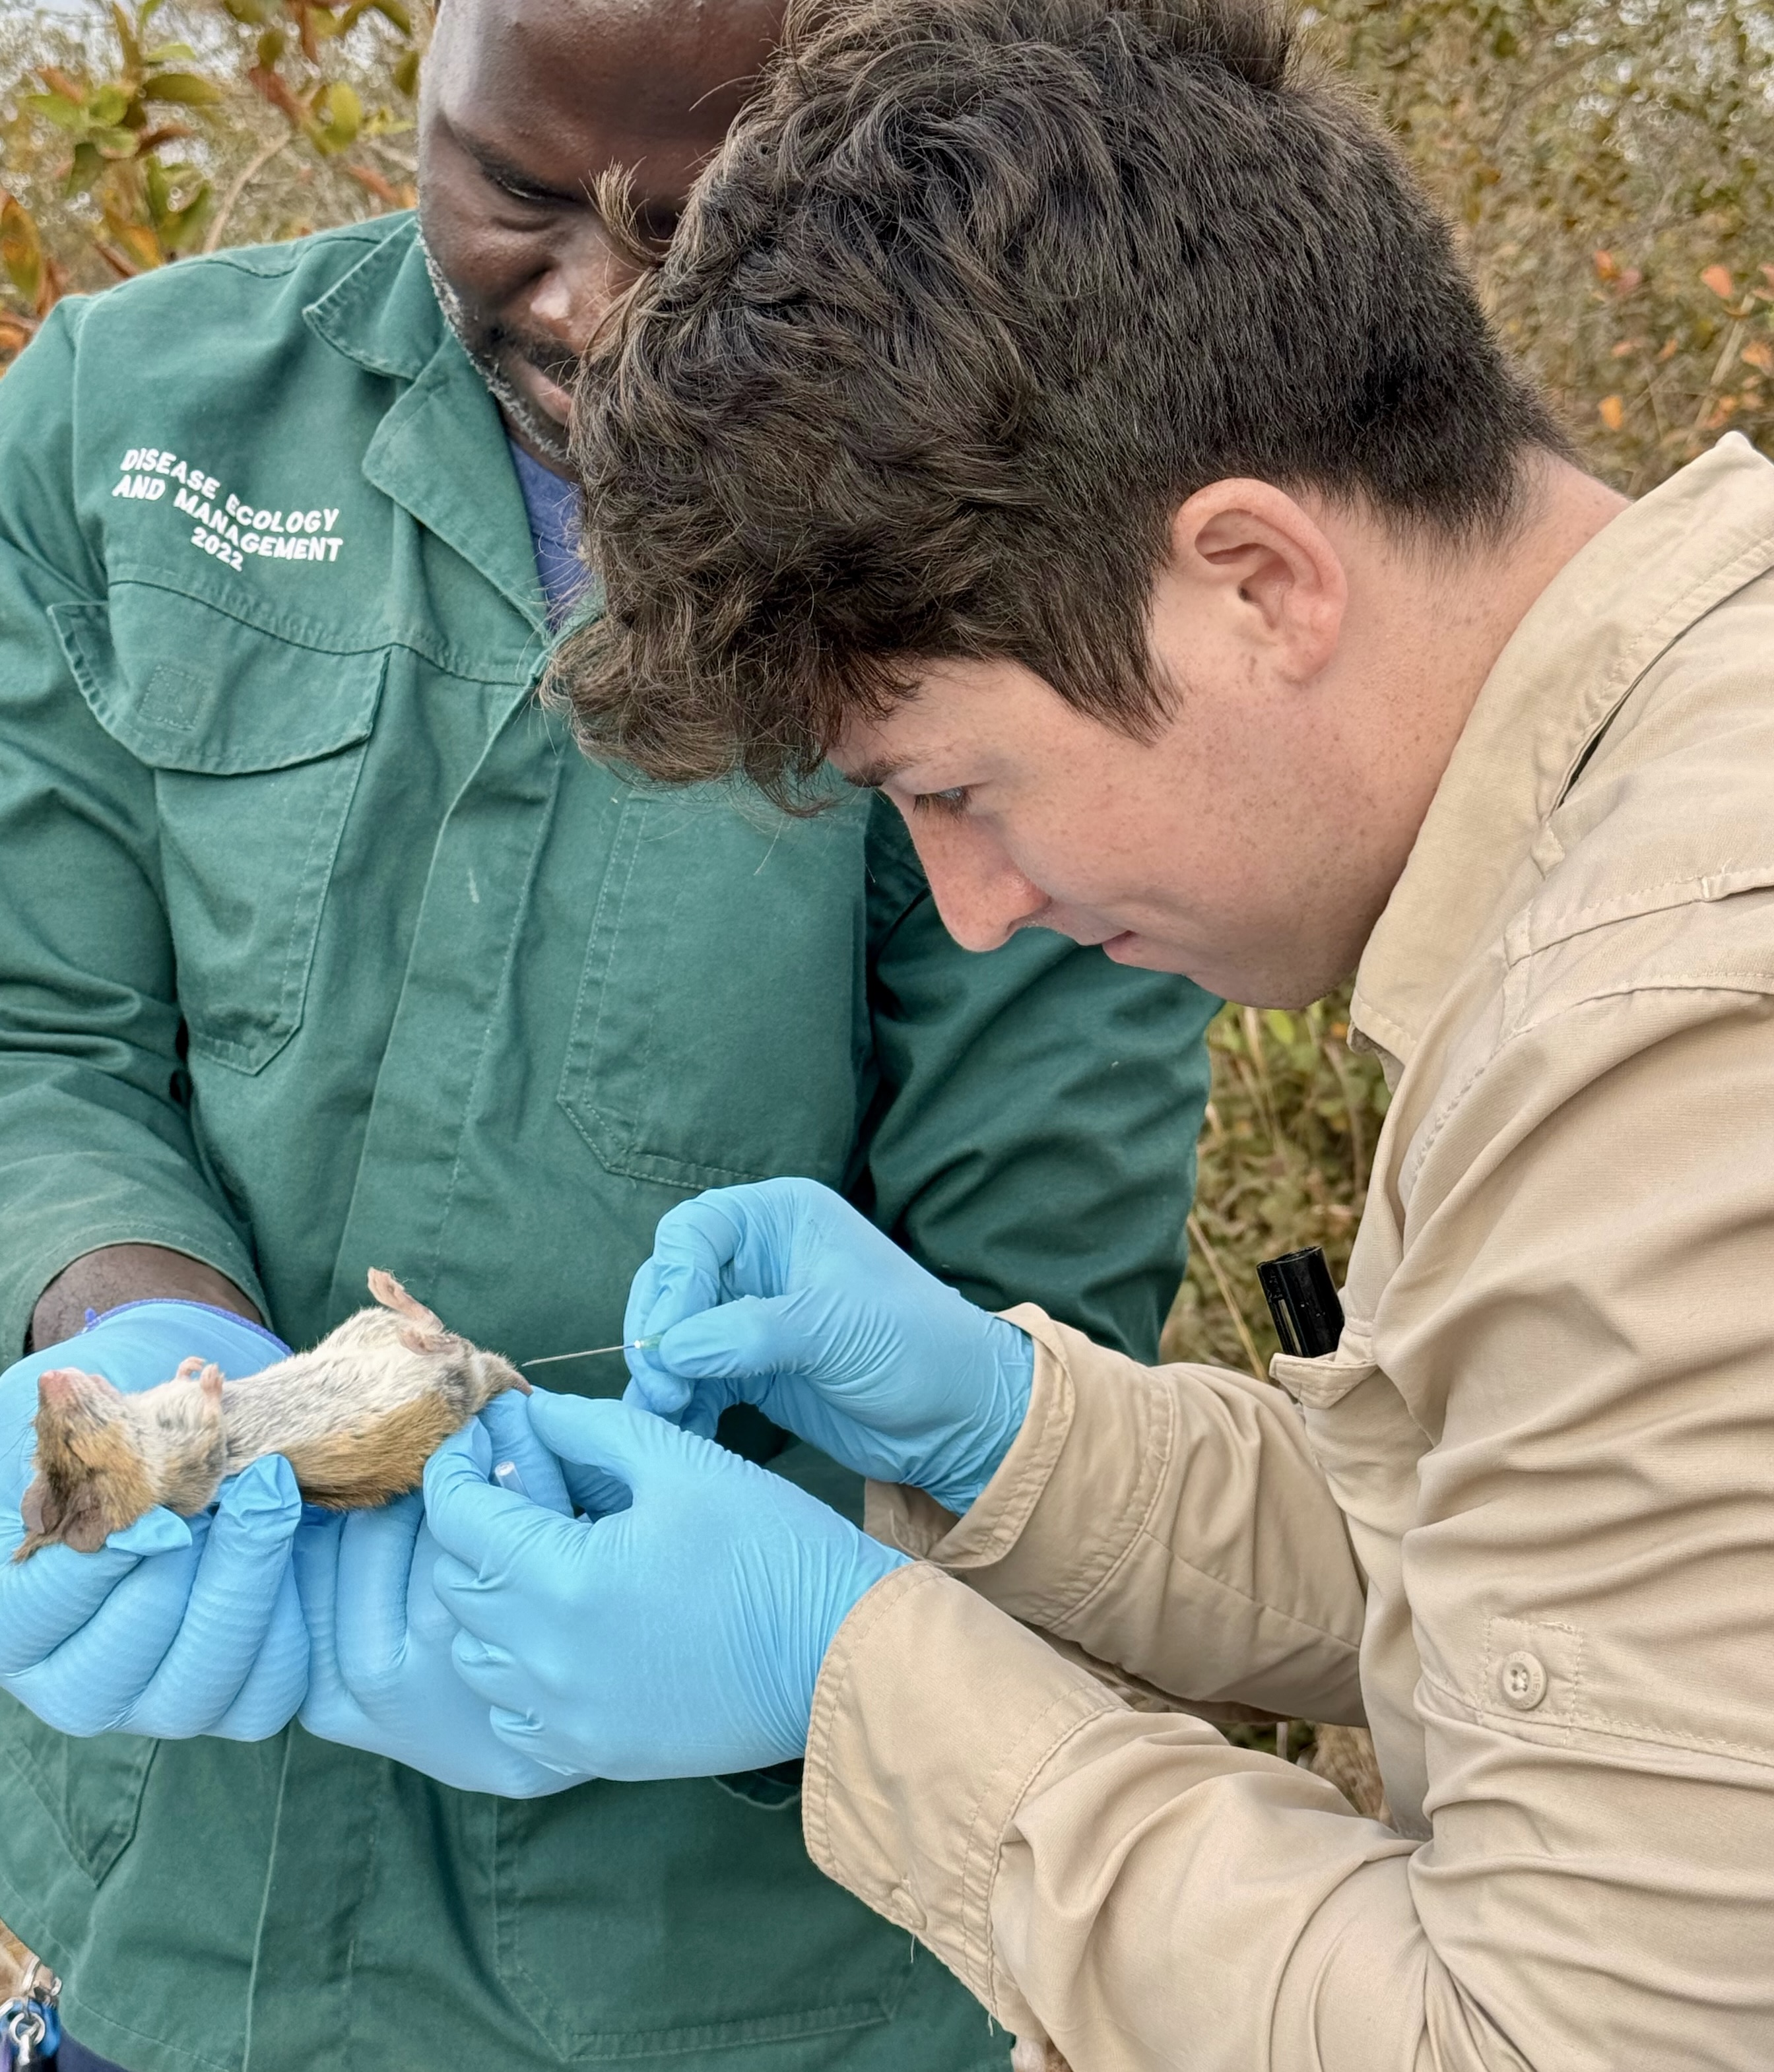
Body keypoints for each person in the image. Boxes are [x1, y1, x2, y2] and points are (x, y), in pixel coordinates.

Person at [407, 0, 1774, 2066]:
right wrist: (1001, 1429)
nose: (979, 903)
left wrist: (850, 1671)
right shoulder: (1634, 809)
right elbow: (1525, 1568)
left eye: (955, 785)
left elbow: (1548, 2039)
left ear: (1253, 579)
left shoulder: (1669, 1028)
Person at [0, 0, 1219, 2065]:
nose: (594, 304)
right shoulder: (131, 423)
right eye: (517, 191)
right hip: (182, 1924)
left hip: (730, 1983)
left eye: (704, 221)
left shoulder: (1021, 528)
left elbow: (1030, 1316)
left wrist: (769, 1641)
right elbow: (40, 1021)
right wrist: (127, 1327)